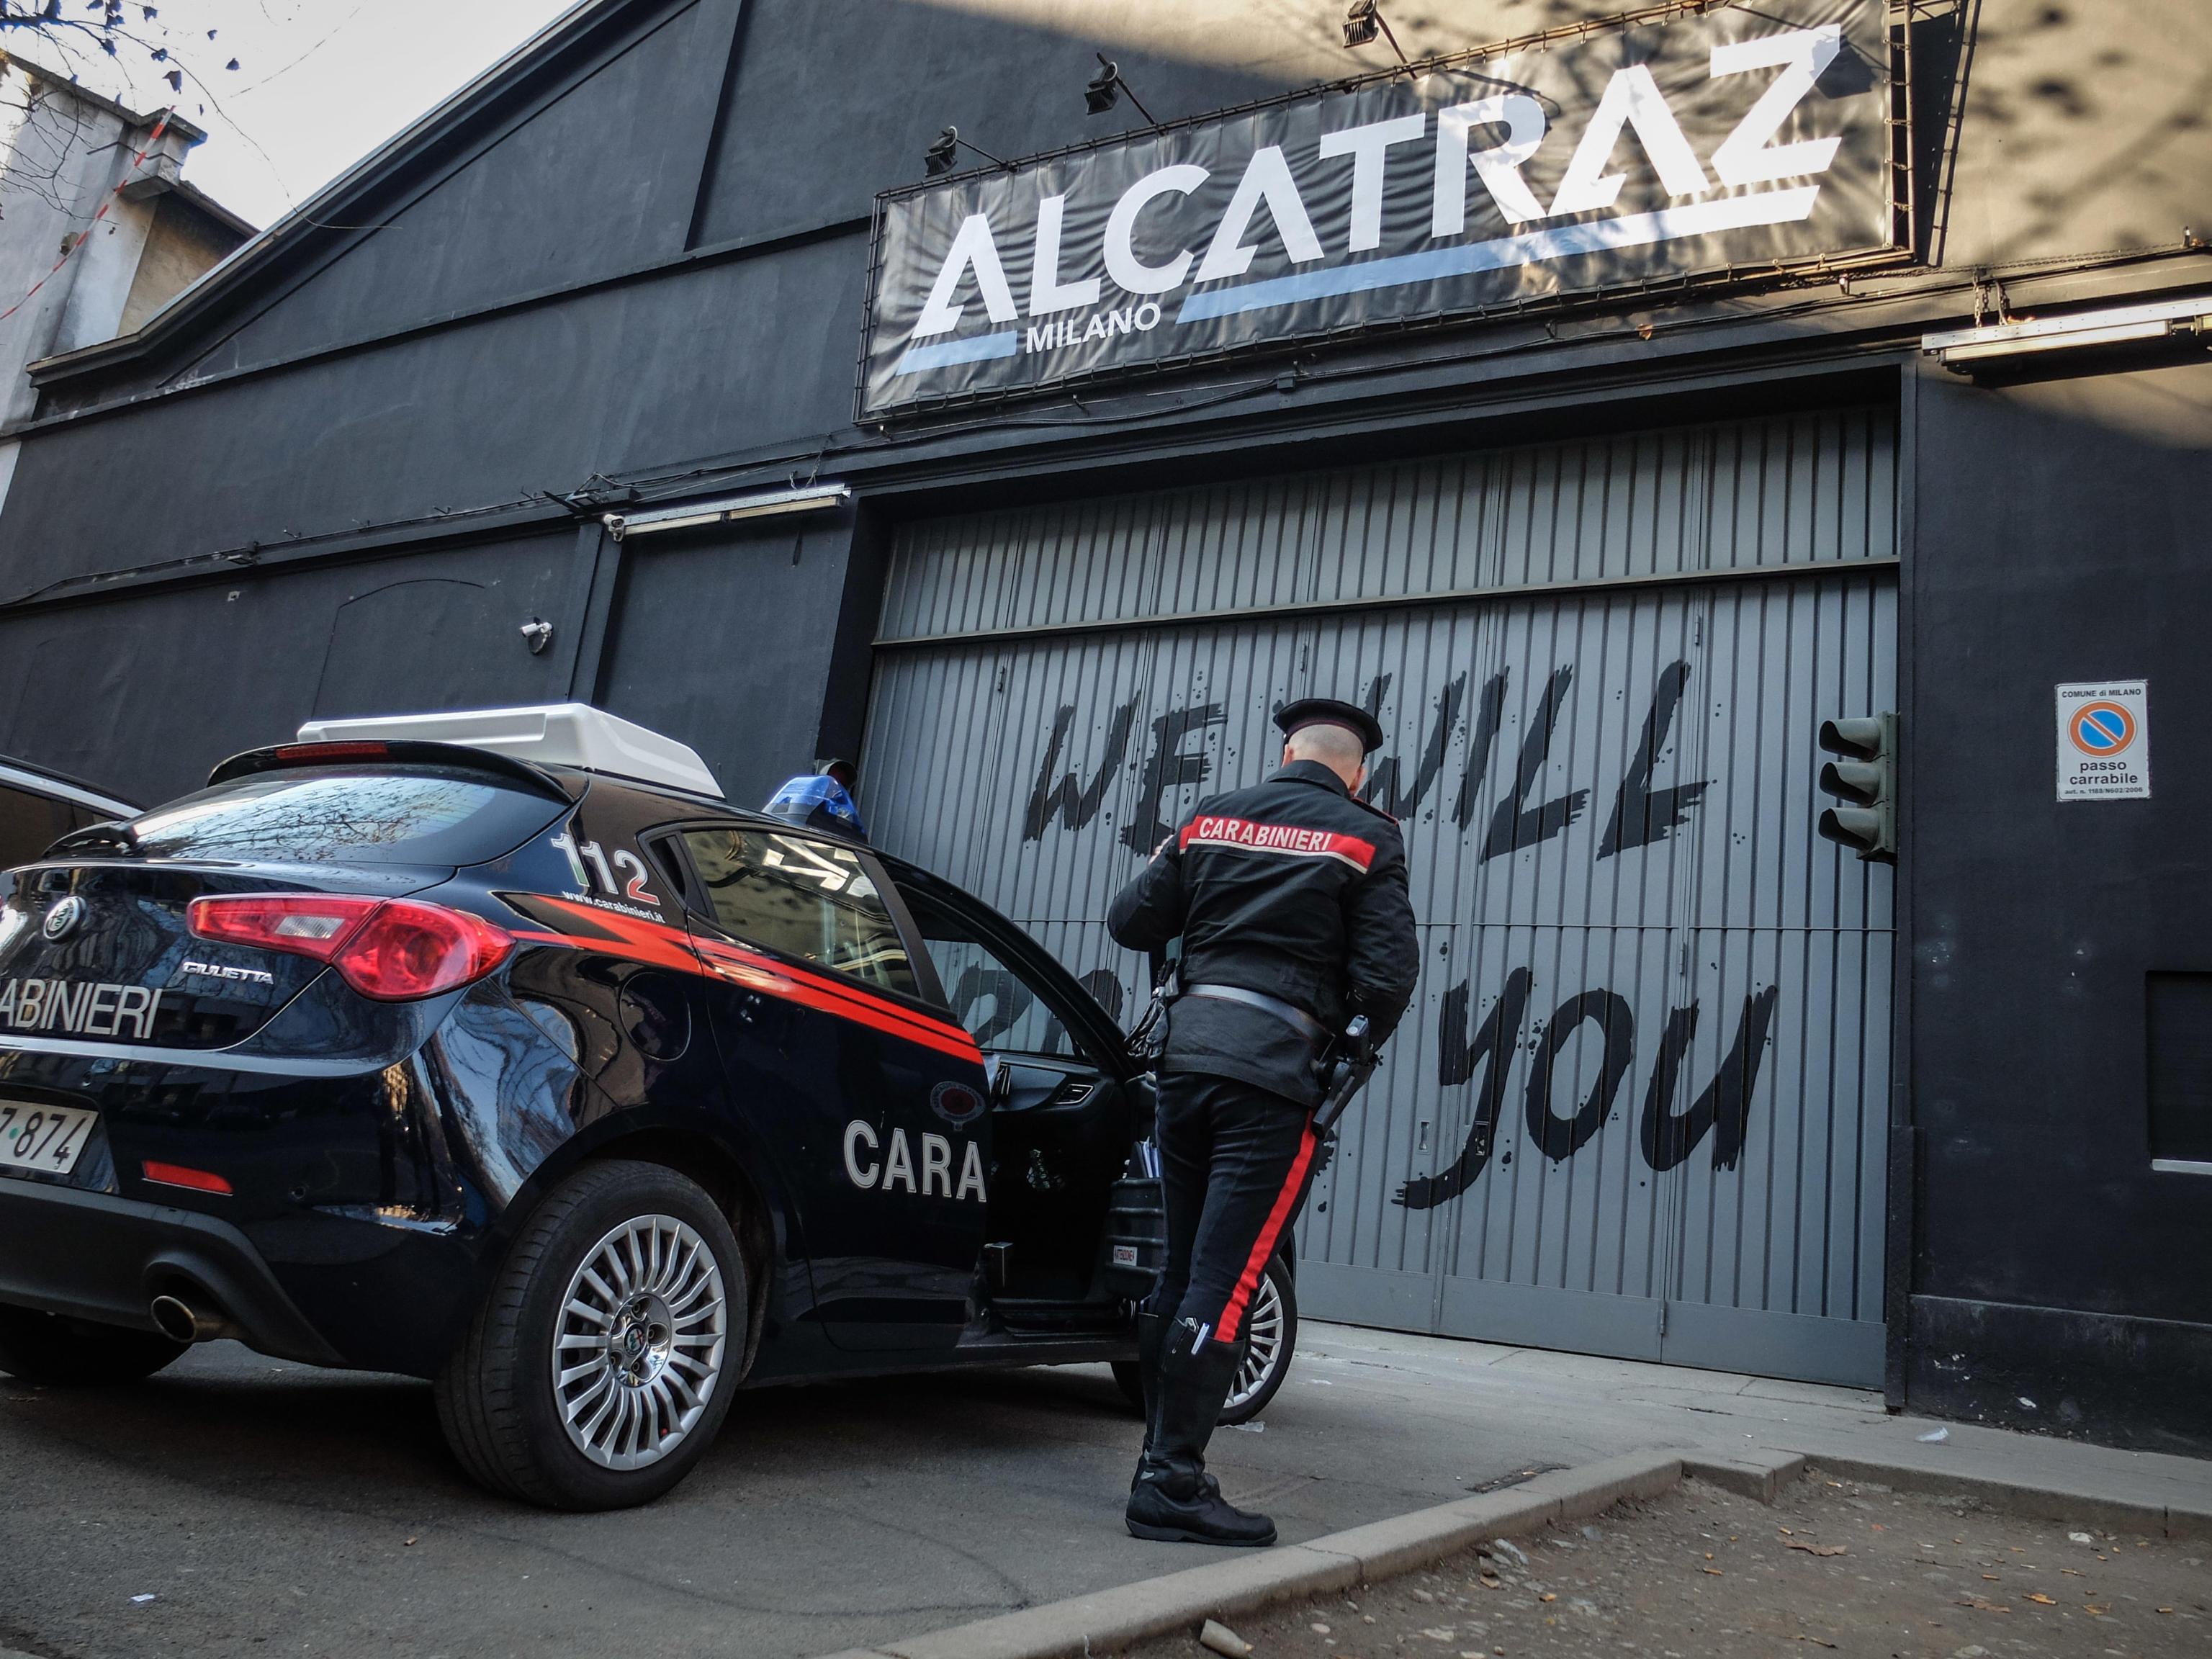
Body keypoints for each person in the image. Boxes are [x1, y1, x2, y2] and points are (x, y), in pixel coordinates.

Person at [1106, 697, 1419, 1547]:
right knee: (1230, 1279)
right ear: (1358, 772)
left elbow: (1131, 919)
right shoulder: (1367, 836)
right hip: (1273, 1079)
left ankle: (1157, 1466)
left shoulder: (1212, 816)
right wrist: (1339, 1051)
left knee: (1179, 1273)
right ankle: (1170, 1484)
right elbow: (1390, 979)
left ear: (1288, 752)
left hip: (1187, 1063)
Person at [762, 757, 867, 841]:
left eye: (840, 782)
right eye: (831, 779)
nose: (835, 784)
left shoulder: (843, 813)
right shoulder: (801, 802)